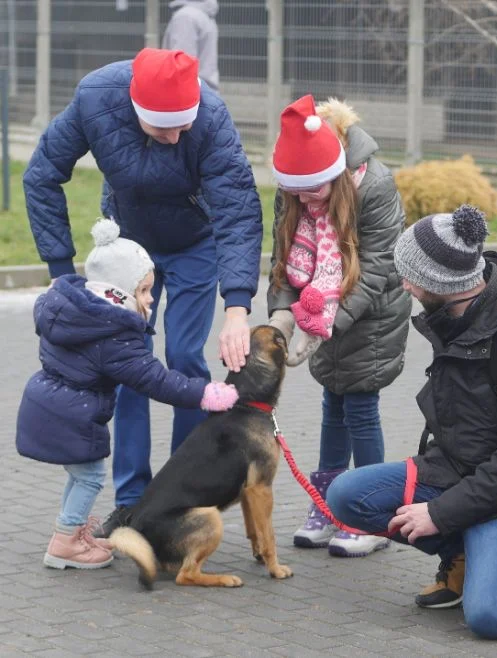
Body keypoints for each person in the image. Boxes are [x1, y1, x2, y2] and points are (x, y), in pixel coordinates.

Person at [326, 205, 497, 639]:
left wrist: (440, 512)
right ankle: (467, 551)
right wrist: (443, 507)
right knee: (346, 497)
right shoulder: (455, 310)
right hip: (457, 468)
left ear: (440, 284)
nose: (404, 284)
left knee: (491, 617)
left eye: (411, 277)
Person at [23, 47, 263, 537]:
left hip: (195, 243)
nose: (176, 137)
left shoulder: (211, 118)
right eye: (163, 129)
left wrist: (237, 306)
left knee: (183, 357)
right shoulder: (97, 98)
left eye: (183, 126)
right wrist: (58, 269)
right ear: (135, 111)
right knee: (128, 365)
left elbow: (238, 209)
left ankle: (179, 495)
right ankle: (132, 499)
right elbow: (42, 173)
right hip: (129, 247)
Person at [15, 219, 239, 570]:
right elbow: (155, 379)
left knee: (78, 475)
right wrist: (205, 393)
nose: (151, 299)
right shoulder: (113, 336)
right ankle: (65, 543)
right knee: (89, 477)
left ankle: (69, 532)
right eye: (145, 291)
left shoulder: (76, 313)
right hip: (73, 417)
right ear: (118, 293)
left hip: (50, 406)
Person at [266, 95, 411, 558]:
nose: (305, 201)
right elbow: (284, 257)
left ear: (337, 172)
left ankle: (373, 514)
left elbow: (380, 266)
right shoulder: (295, 189)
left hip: (371, 311)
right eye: (297, 193)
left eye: (314, 191)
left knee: (360, 407)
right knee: (332, 402)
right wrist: (282, 320)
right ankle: (329, 504)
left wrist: (328, 321)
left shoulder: (375, 185)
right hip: (320, 309)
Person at [162, 0, 219, 92]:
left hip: (191, 96)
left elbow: (182, 65)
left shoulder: (185, 17)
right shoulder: (203, 14)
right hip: (205, 92)